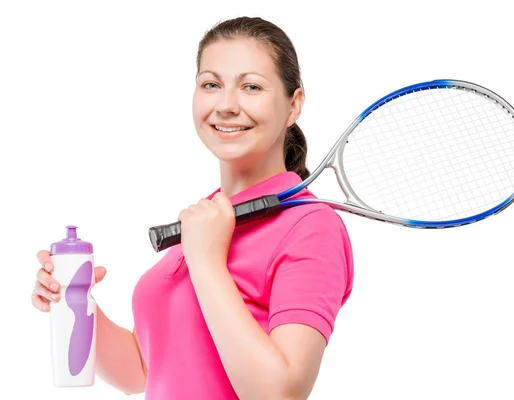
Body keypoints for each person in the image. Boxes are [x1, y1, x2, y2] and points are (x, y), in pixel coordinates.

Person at [32, 16, 354, 400]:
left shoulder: (310, 226)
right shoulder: (208, 220)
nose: (226, 105)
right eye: (211, 84)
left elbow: (280, 392)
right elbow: (143, 371)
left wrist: (206, 262)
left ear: (293, 105)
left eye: (251, 87)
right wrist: (73, 299)